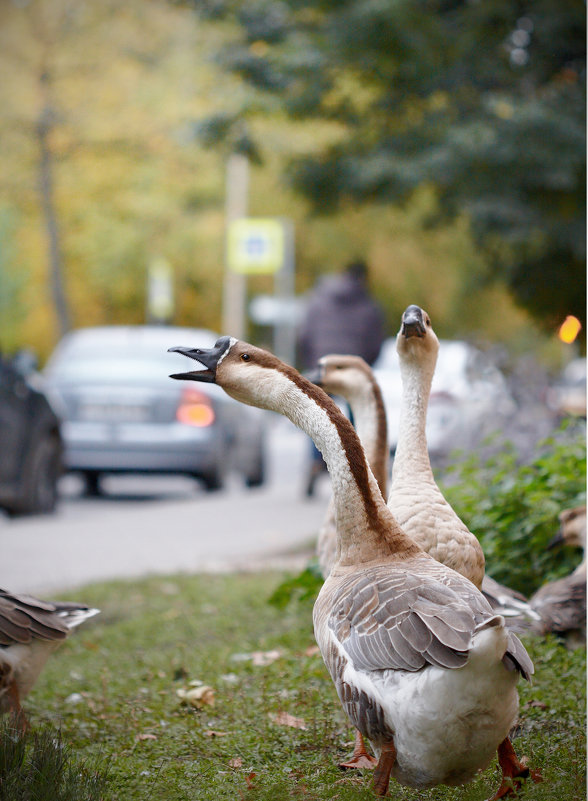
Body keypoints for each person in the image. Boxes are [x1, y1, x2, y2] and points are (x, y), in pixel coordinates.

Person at [298, 259, 385, 496]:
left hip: (321, 364)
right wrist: (363, 366)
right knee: (354, 413)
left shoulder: (317, 300)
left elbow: (303, 335)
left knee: (318, 413)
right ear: (364, 278)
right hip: (351, 366)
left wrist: (311, 362)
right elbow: (376, 344)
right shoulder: (369, 306)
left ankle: (316, 460)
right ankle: (351, 465)